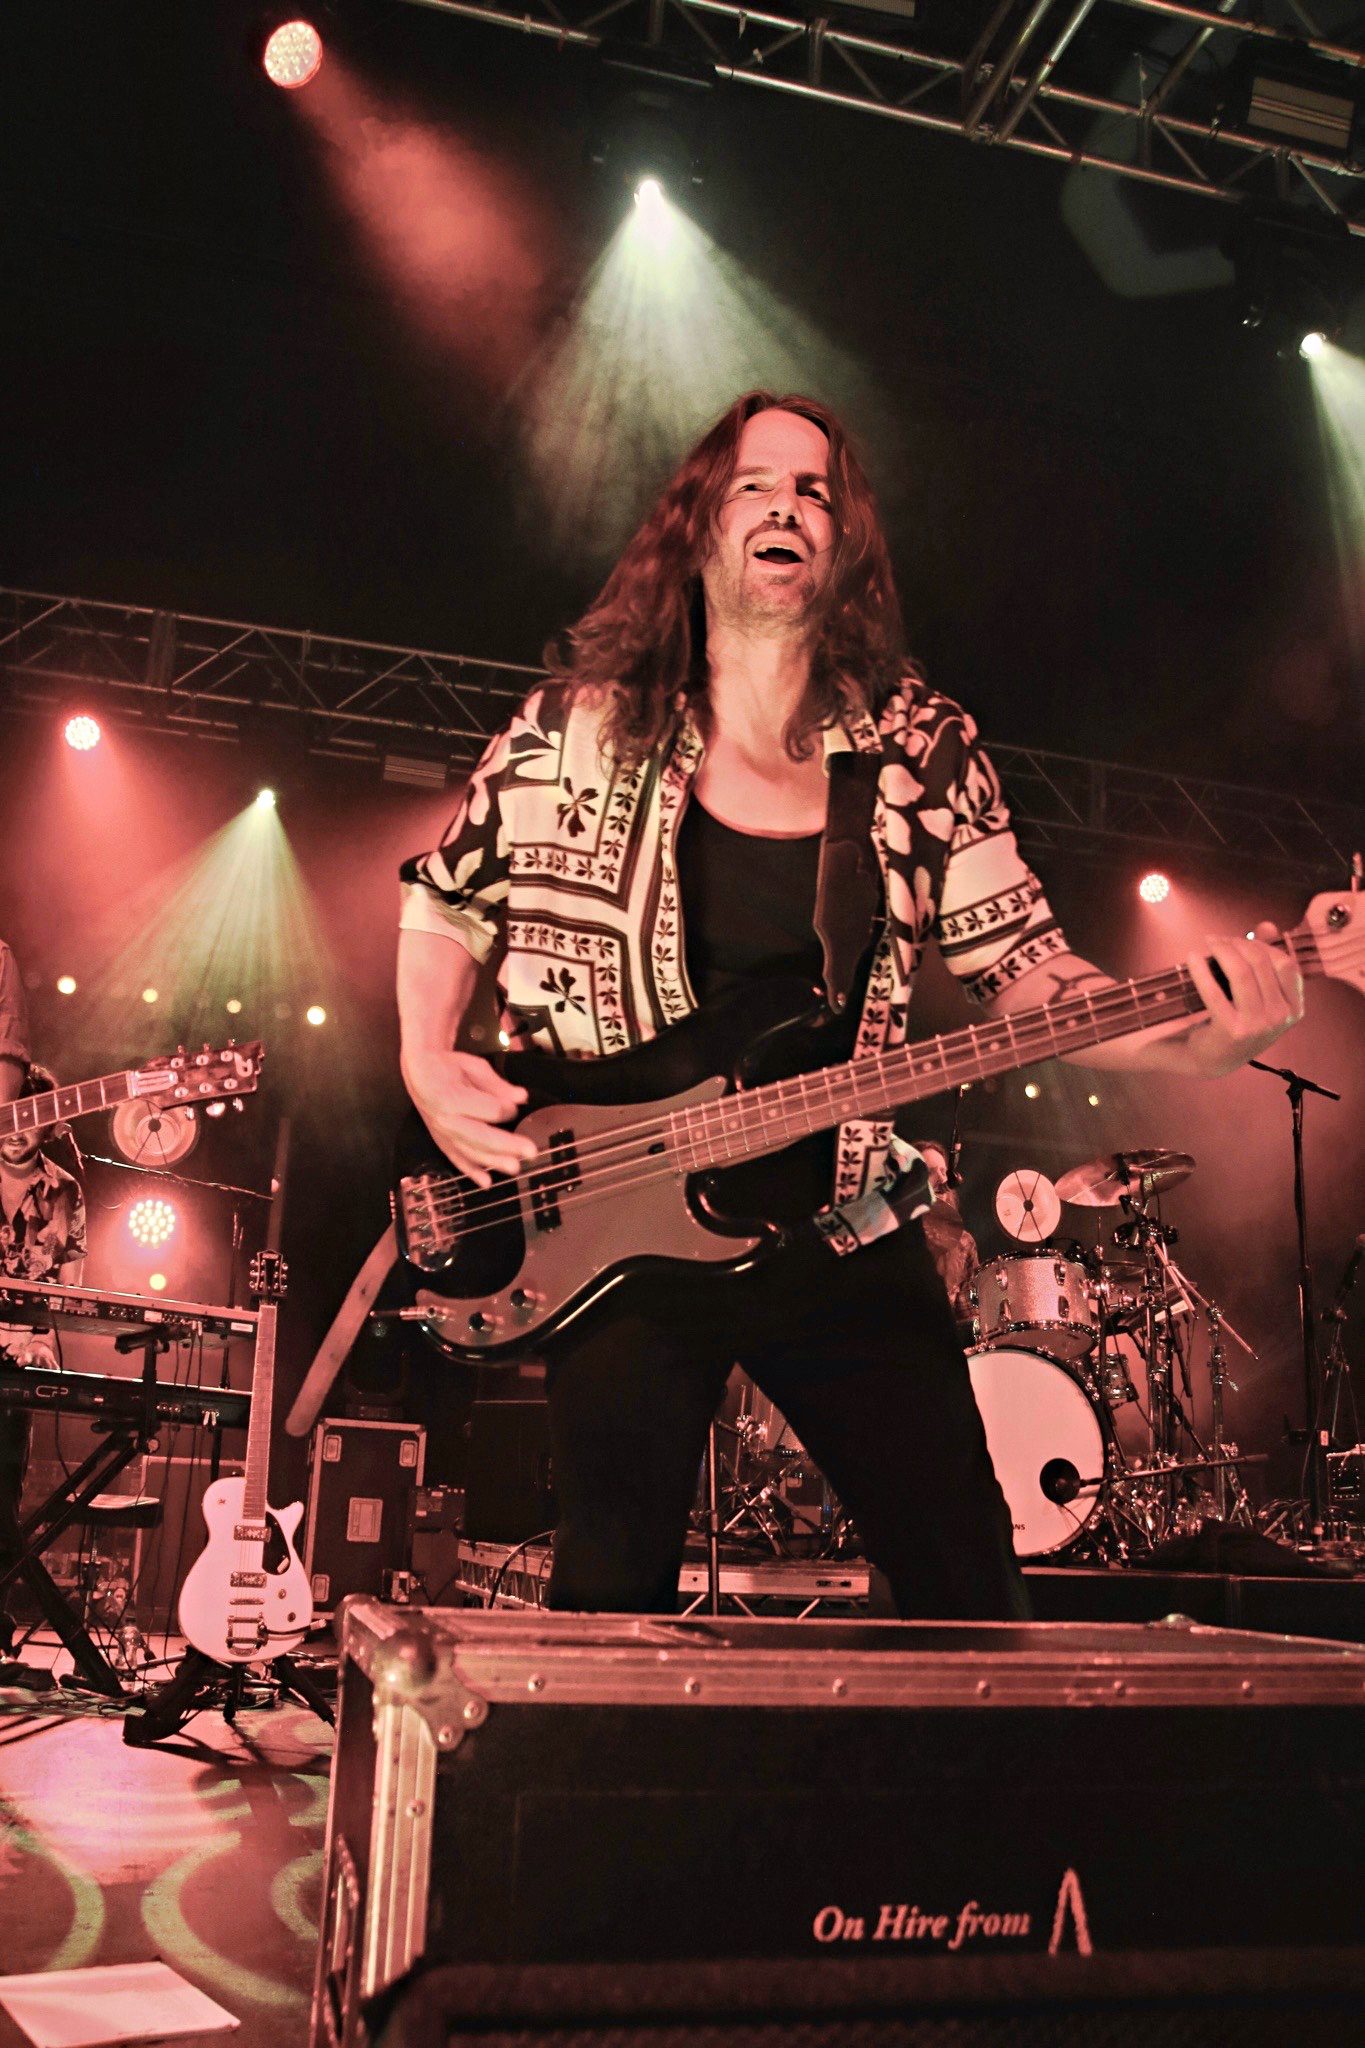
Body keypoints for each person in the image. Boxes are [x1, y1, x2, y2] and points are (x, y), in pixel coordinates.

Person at [396, 390, 1302, 1620]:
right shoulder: (579, 727)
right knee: (608, 1602)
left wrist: (1208, 1037)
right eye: (755, 482)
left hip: (840, 1231)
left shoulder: (919, 752)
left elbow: (1031, 968)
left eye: (815, 489)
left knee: (970, 1589)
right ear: (702, 522)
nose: (785, 504)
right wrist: (422, 1054)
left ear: (846, 541)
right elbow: (447, 897)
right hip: (619, 1226)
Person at [1, 1059, 88, 1660]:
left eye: (31, 1117)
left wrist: (41, 1343)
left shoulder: (66, 1191)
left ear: (50, 1125)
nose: (15, 1127)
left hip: (20, 1360)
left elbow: (73, 1288)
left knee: (5, 1493)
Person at [913, 1139, 980, 1331]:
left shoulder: (964, 1241)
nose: (943, 1180)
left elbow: (967, 1315)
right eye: (929, 1172)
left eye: (944, 1171)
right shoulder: (893, 1236)